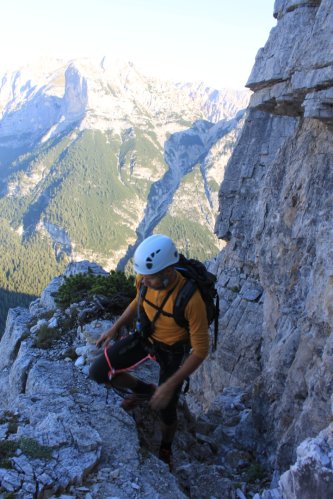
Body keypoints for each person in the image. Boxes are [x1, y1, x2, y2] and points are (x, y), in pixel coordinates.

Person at [89, 234, 209, 468]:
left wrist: (169, 385)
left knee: (166, 408)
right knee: (98, 372)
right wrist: (116, 327)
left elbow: (201, 350)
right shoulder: (144, 280)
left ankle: (166, 447)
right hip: (146, 337)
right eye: (142, 275)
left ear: (167, 274)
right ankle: (145, 391)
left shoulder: (191, 300)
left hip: (173, 351)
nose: (143, 281)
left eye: (150, 277)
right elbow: (139, 300)